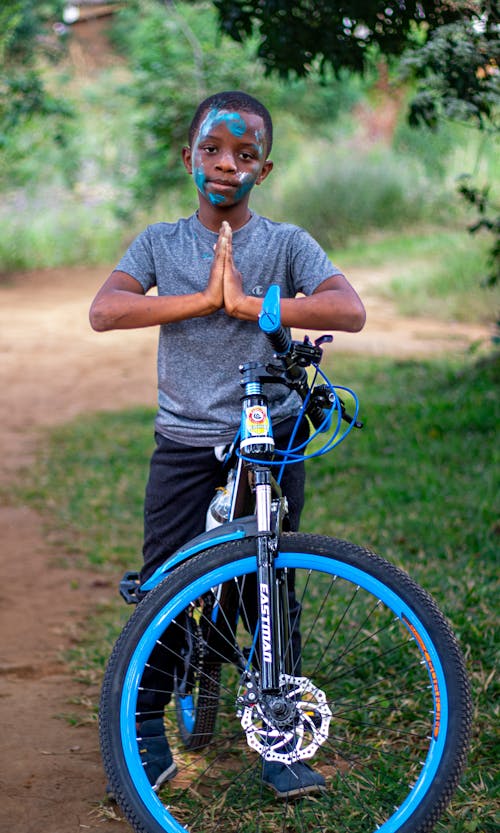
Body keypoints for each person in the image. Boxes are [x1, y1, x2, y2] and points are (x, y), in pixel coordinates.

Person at [89, 90, 366, 798]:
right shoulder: (160, 242)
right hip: (184, 443)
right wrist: (206, 300)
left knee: (270, 586)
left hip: (269, 447)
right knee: (165, 589)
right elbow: (106, 309)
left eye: (245, 154)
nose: (226, 163)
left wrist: (252, 304)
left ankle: (280, 737)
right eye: (212, 149)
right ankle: (146, 725)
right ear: (188, 158)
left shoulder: (284, 242)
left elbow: (348, 309)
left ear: (263, 170)